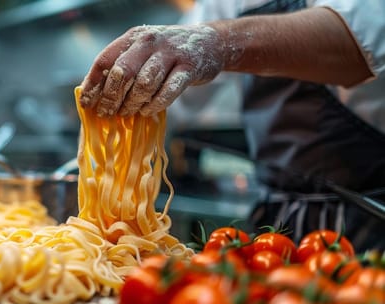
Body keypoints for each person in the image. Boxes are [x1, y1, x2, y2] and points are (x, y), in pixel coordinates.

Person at [79, 0, 385, 251]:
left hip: (372, 217)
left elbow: (360, 41)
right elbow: (175, 80)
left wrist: (219, 42)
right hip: (275, 227)